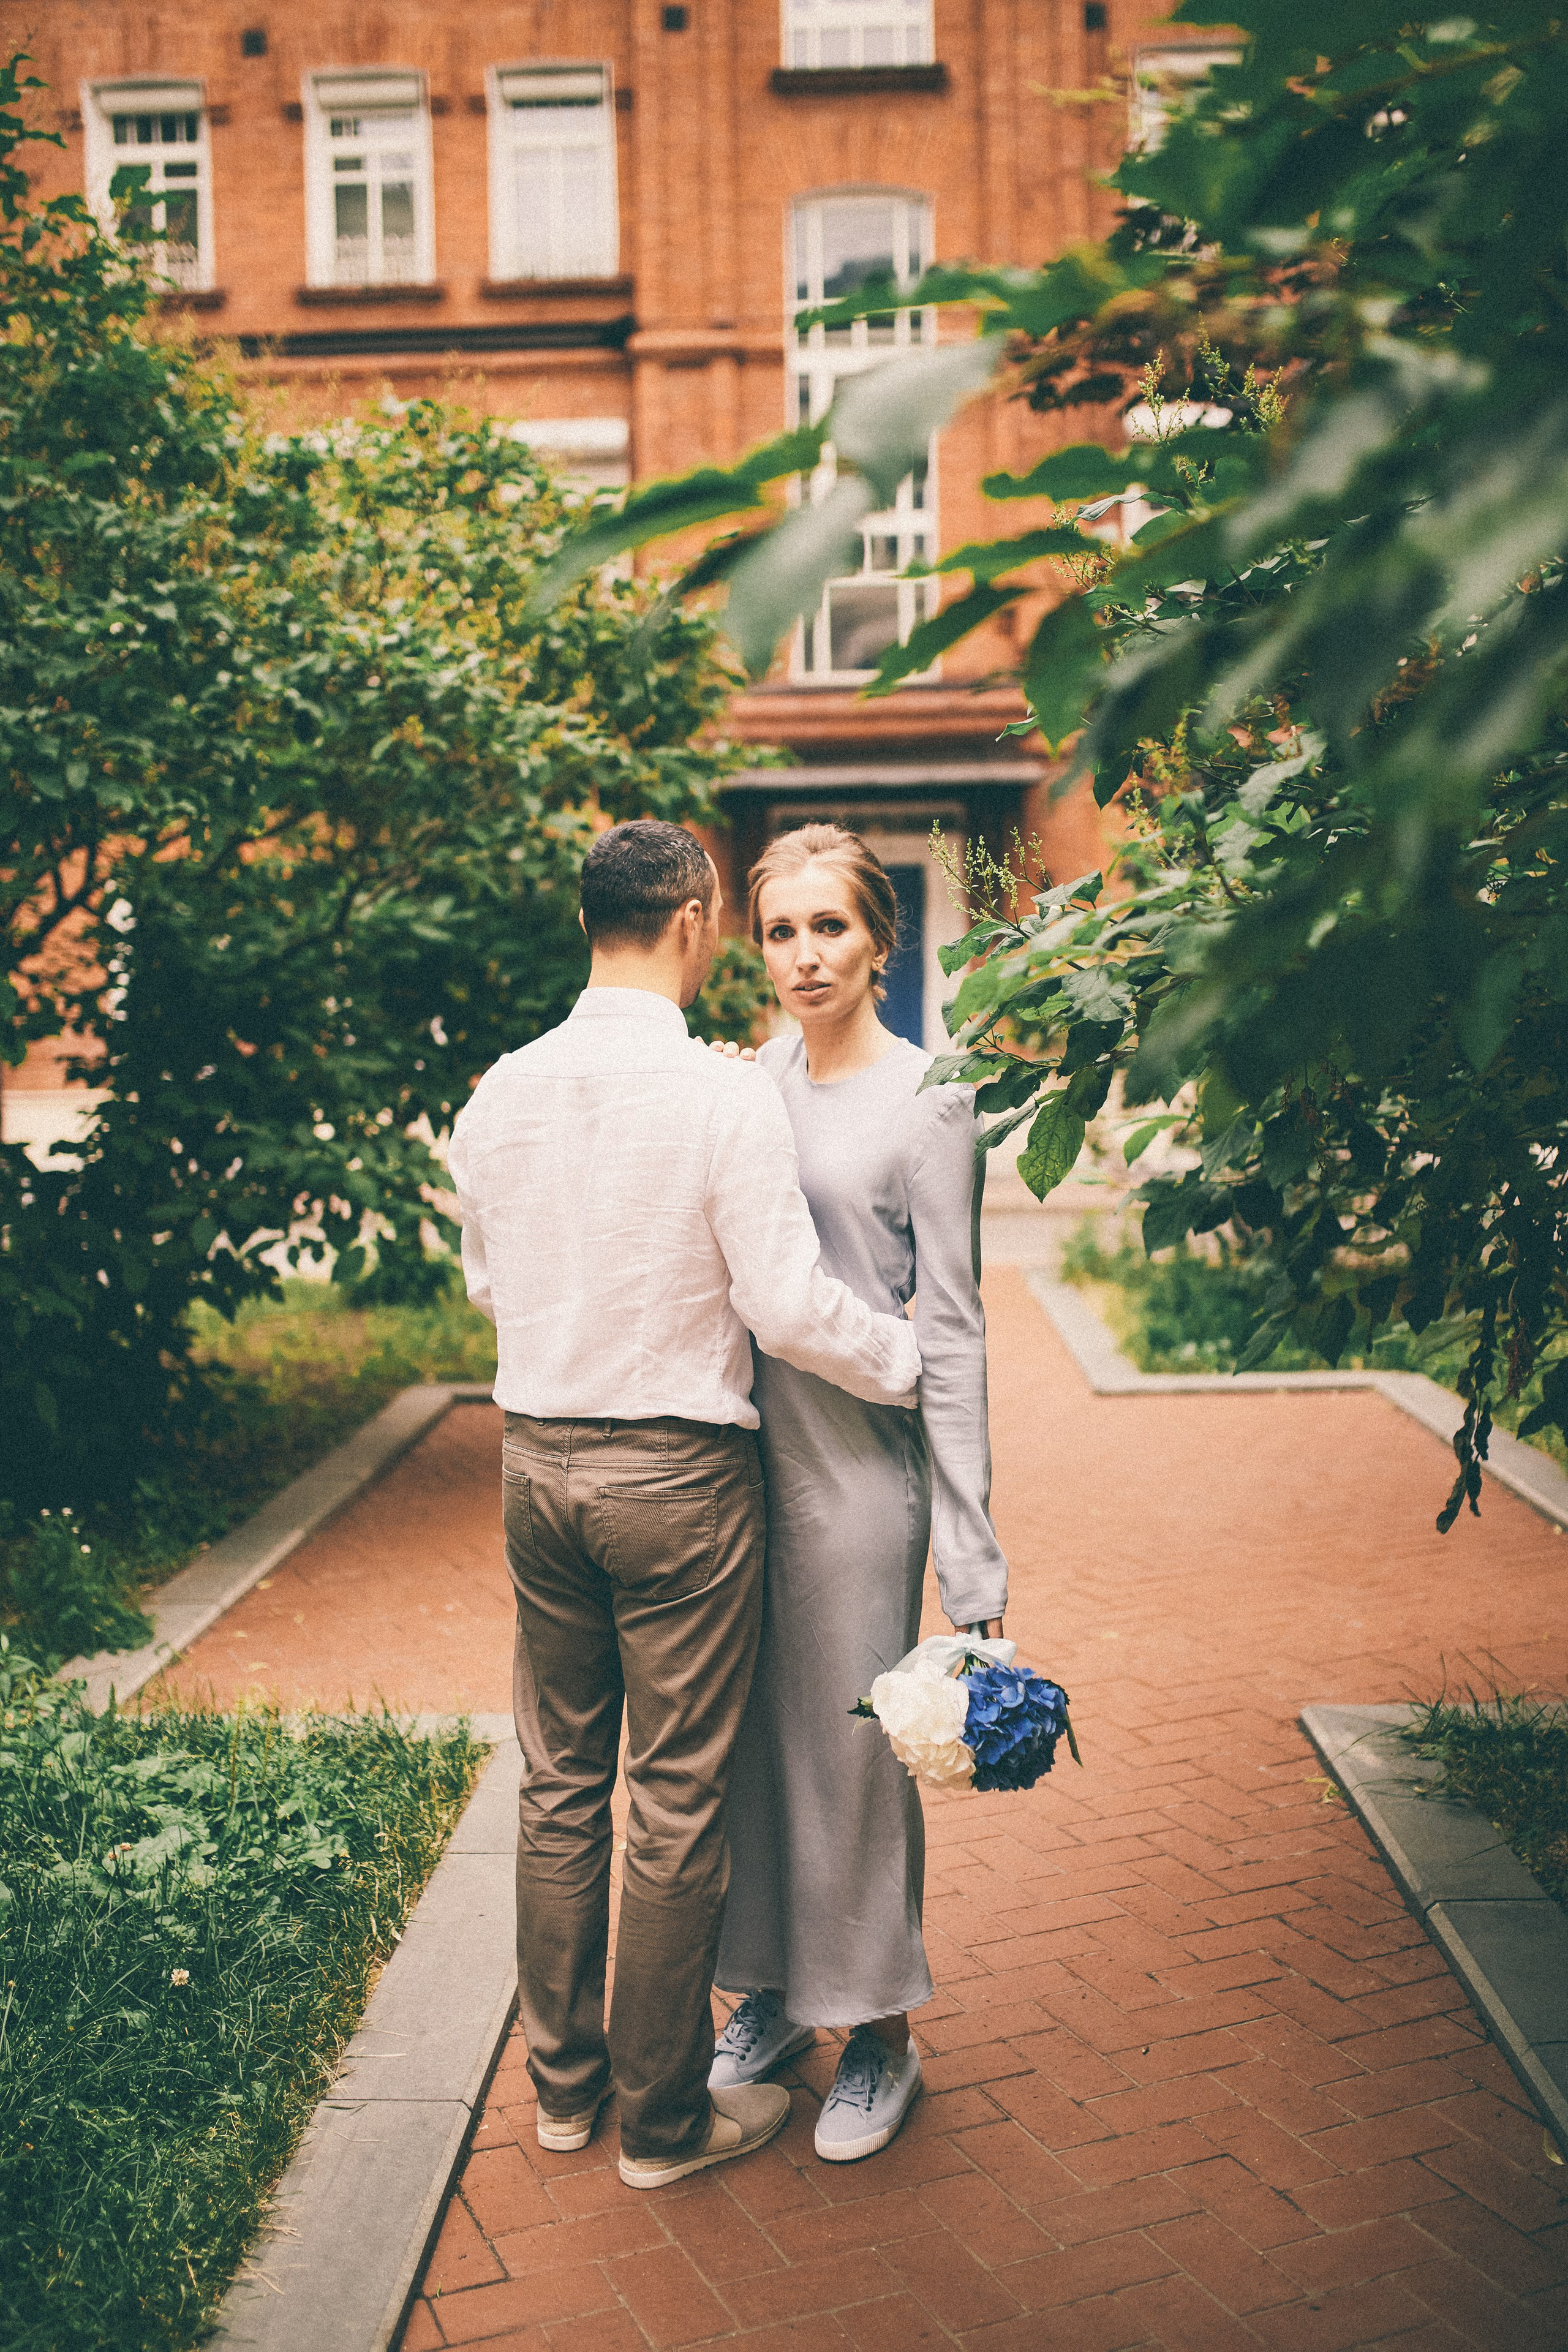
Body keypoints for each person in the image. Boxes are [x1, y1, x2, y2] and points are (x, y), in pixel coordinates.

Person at [445, 820, 923, 2193]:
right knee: (669, 1795)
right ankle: (661, 2125)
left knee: (557, 1784)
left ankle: (560, 2093)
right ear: (700, 918)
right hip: (676, 1477)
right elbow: (780, 1307)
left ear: (585, 918)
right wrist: (906, 1361)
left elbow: (487, 1284)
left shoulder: (498, 1093)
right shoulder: (725, 1100)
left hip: (534, 1464)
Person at [710, 822, 1008, 2163]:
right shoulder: (746, 1078)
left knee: (848, 1757)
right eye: (780, 931)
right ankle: (775, 1997)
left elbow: (949, 1329)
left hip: (856, 1481)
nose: (803, 956)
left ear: (880, 942)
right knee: (752, 1754)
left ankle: (881, 2034)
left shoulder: (928, 1096)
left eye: (828, 927)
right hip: (735, 1471)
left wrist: (973, 1558)